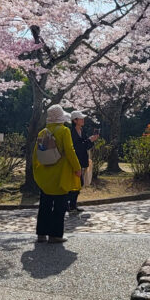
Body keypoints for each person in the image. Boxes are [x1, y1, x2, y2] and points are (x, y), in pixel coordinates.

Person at [33, 104, 82, 243]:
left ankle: (41, 234)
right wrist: (77, 168)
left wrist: (36, 170)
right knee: (60, 205)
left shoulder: (43, 132)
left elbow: (36, 154)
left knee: (45, 205)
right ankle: (55, 235)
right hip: (61, 174)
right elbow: (70, 151)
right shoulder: (64, 131)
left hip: (45, 175)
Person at [67, 110, 98, 213]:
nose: (83, 120)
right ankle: (70, 205)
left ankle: (72, 205)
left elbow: (86, 146)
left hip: (82, 160)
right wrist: (89, 141)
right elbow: (77, 147)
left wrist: (91, 140)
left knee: (79, 184)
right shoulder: (71, 132)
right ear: (75, 120)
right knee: (76, 183)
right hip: (74, 161)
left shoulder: (82, 131)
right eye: (81, 118)